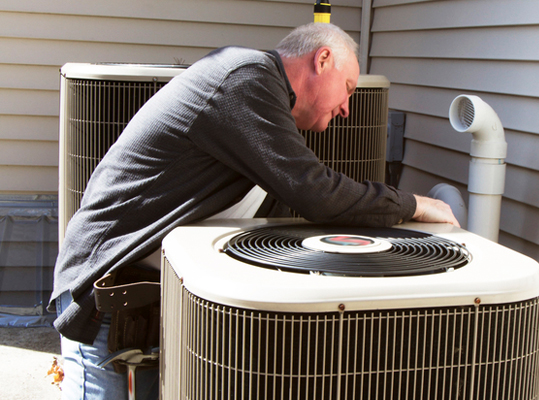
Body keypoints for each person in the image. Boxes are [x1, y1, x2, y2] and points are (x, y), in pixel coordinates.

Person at [49, 22, 458, 399]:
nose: (347, 107)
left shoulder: (262, 99)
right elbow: (314, 191)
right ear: (323, 59)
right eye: (348, 87)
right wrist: (414, 204)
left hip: (147, 307)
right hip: (104, 291)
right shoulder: (246, 79)